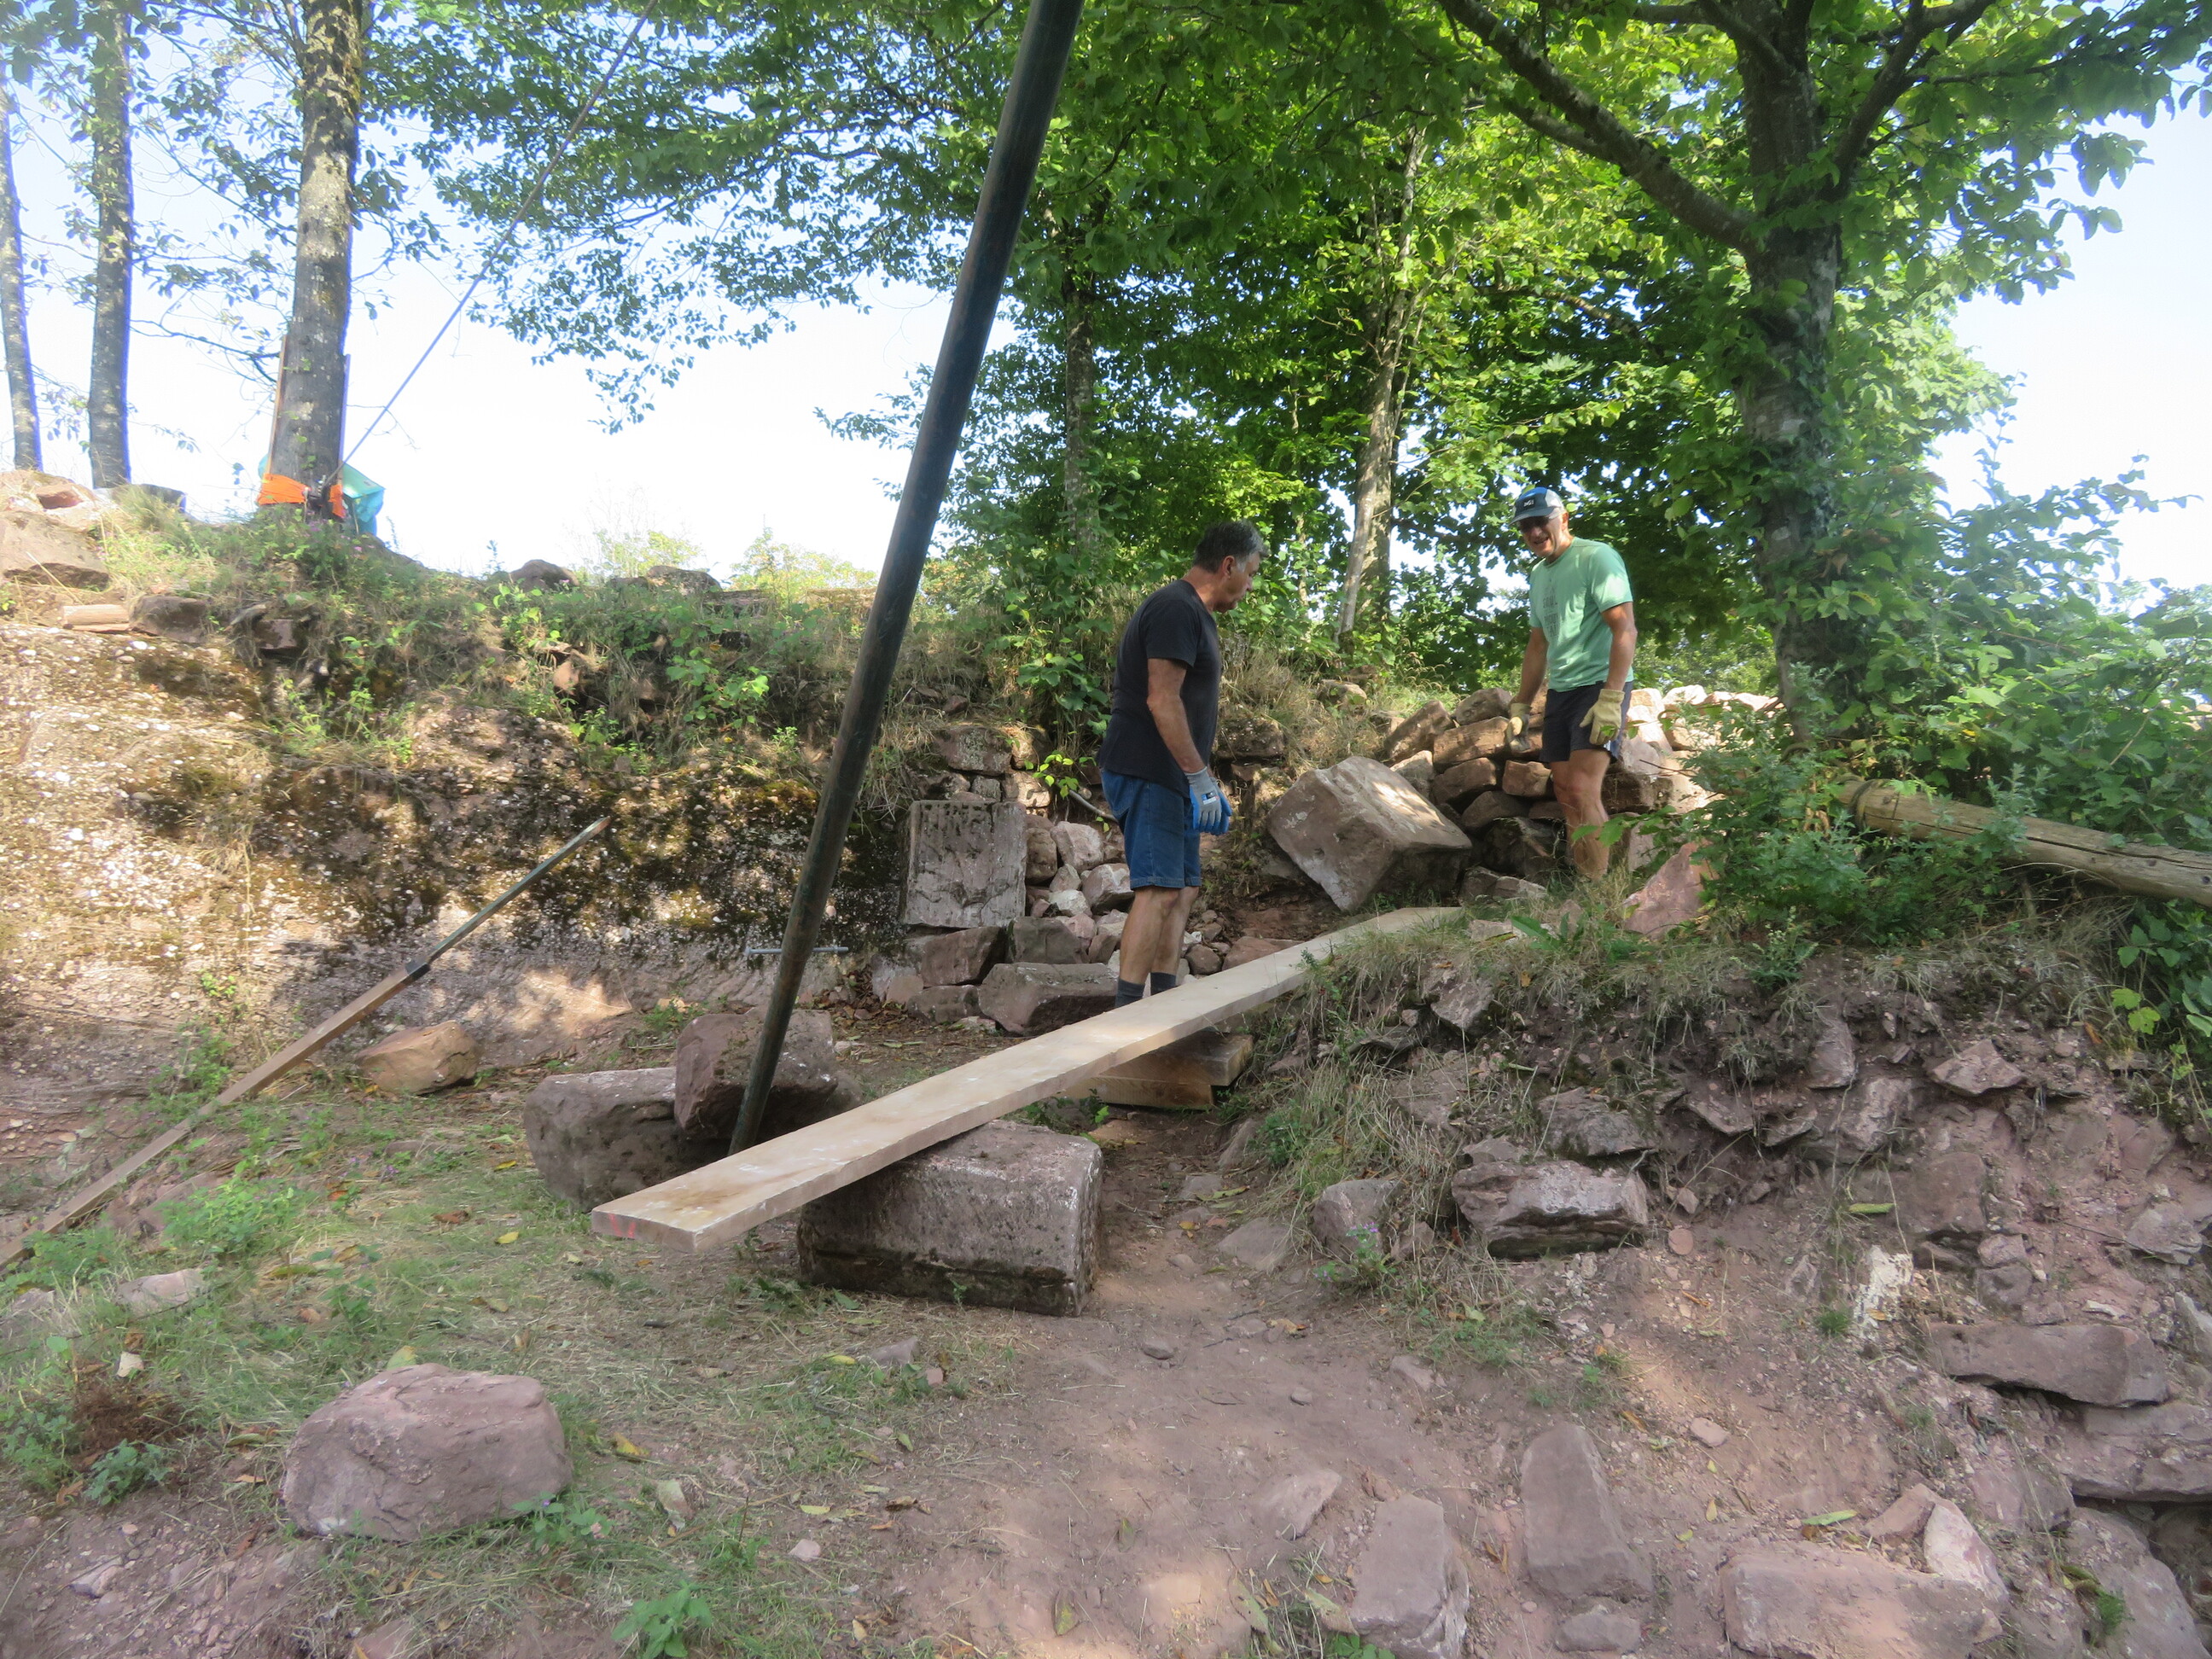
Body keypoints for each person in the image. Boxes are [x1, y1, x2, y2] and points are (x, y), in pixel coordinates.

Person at [1097, 521, 1267, 1007]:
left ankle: (1163, 1007)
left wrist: (1198, 780)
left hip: (1175, 774)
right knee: (1159, 890)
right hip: (1148, 767)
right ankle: (1126, 1019)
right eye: (1251, 574)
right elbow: (1162, 699)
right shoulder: (1175, 607)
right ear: (1229, 565)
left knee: (1184, 889)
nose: (1250, 587)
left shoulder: (1198, 615)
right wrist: (1199, 777)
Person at [1507, 486, 1638, 879]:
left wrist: (1611, 697)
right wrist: (1521, 704)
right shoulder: (1538, 575)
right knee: (1564, 790)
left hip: (1599, 686)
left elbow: (1625, 629)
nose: (1534, 532)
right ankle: (1587, 882)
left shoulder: (1596, 557)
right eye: (1525, 526)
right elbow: (1538, 645)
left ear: (1563, 518)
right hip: (1562, 690)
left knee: (1582, 787)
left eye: (1540, 522)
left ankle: (1599, 892)